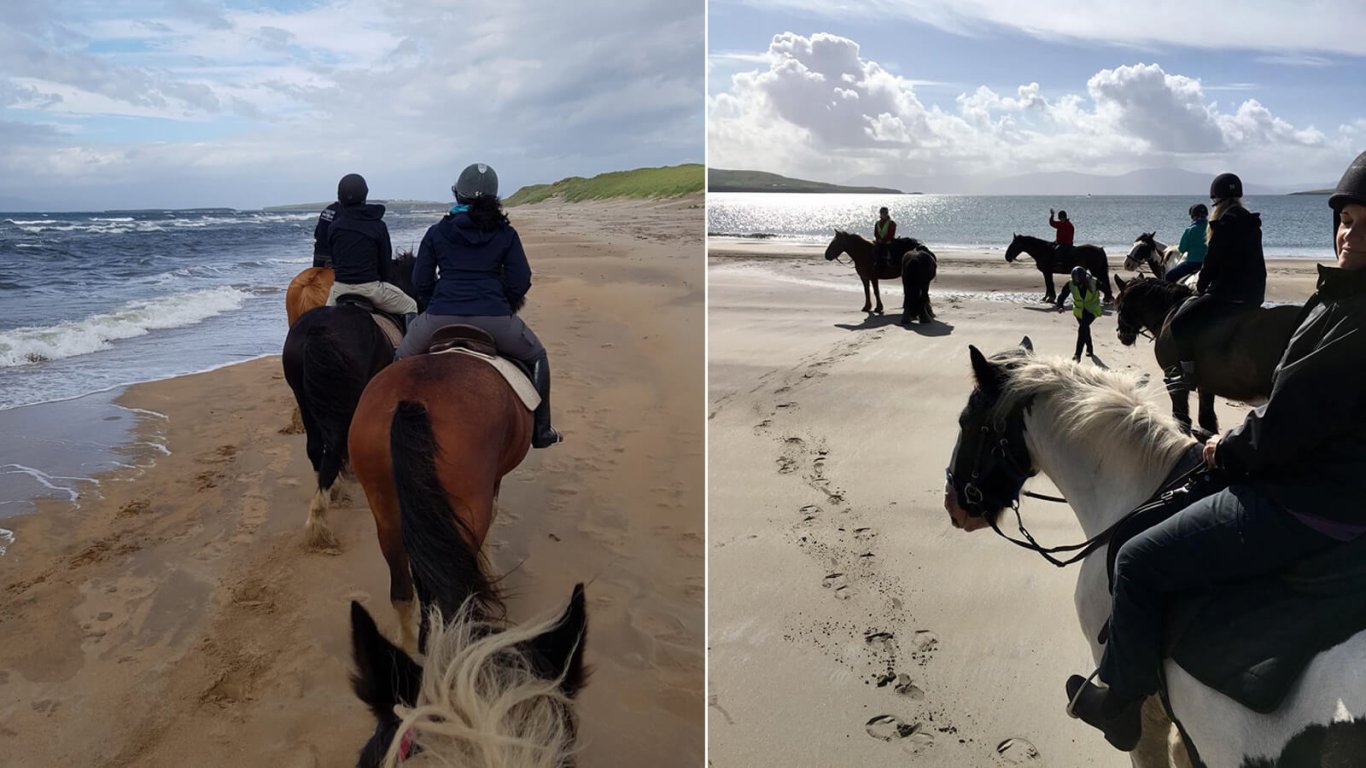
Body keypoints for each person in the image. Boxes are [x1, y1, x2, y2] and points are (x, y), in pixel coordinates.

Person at [1064, 151, 1366, 752]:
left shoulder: (1347, 313)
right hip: (1330, 473)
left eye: (1364, 222)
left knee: (1137, 561)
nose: (1348, 232)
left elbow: (1290, 421)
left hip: (1307, 498)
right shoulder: (1332, 298)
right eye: (1345, 218)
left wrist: (1228, 451)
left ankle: (1122, 703)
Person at [395, 162, 562, 449]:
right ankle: (542, 430)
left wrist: (439, 301)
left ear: (458, 194)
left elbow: (420, 280)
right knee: (537, 356)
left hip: (440, 317)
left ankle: (391, 425)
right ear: (493, 198)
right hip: (494, 318)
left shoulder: (437, 232)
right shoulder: (506, 234)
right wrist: (501, 303)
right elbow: (521, 280)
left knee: (399, 359)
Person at [1164, 173, 1266, 387]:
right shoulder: (1251, 222)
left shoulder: (1223, 224)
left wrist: (1201, 287)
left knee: (1180, 323)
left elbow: (1212, 262)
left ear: (1217, 201)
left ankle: (1189, 376)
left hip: (1228, 295)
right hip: (1255, 295)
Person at [323, 173, 418, 323]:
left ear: (339, 199)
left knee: (323, 320)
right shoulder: (378, 225)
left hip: (339, 290)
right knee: (410, 305)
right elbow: (384, 264)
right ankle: (411, 347)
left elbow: (335, 260)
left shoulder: (334, 227)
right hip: (371, 289)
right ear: (365, 196)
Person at [1055, 265, 1102, 362]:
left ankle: (1077, 354)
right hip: (1079, 311)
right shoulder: (1070, 284)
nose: (1078, 284)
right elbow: (1062, 295)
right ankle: (1090, 349)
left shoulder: (1094, 282)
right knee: (1085, 328)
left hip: (1092, 310)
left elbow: (1106, 289)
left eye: (1079, 282)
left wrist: (1110, 296)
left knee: (1082, 328)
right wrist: (1060, 306)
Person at [1165, 203, 1208, 284]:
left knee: (1168, 276)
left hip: (1192, 264)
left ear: (1193, 216)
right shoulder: (1212, 227)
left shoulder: (1190, 230)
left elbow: (1182, 249)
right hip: (1208, 264)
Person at [312, 200, 340, 268]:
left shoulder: (328, 209)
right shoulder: (345, 212)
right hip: (331, 257)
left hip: (319, 253)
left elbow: (316, 234)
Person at [873, 206, 897, 271]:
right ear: (880, 214)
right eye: (883, 213)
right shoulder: (877, 223)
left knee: (889, 251)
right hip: (879, 241)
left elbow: (891, 233)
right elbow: (875, 233)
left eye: (886, 213)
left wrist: (885, 240)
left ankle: (890, 265)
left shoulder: (892, 223)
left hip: (888, 241)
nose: (884, 214)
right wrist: (878, 239)